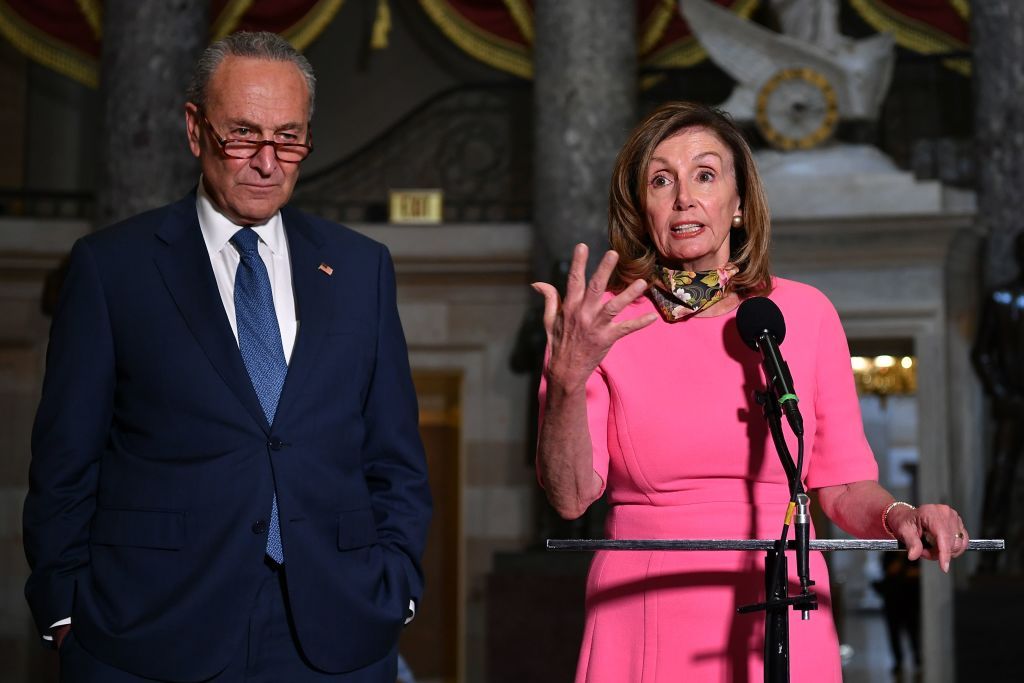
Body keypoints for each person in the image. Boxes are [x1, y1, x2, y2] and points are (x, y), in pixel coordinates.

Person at [23, 31, 431, 682]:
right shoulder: (112, 268)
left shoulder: (361, 268)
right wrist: (65, 609)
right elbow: (65, 462)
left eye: (289, 138)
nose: (267, 162)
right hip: (150, 629)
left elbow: (395, 456)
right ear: (195, 130)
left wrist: (397, 586)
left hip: (336, 629)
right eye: (243, 135)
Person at [532, 101, 968, 681]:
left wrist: (900, 515)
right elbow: (569, 497)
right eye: (661, 180)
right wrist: (566, 380)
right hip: (644, 608)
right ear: (642, 208)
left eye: (705, 175)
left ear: (738, 204)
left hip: (785, 604)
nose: (684, 196)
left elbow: (840, 486)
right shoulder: (602, 324)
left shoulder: (804, 314)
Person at [971, 232, 1024, 573]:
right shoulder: (1001, 297)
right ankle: (990, 554)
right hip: (1012, 404)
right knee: (1001, 471)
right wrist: (1002, 392)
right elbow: (982, 354)